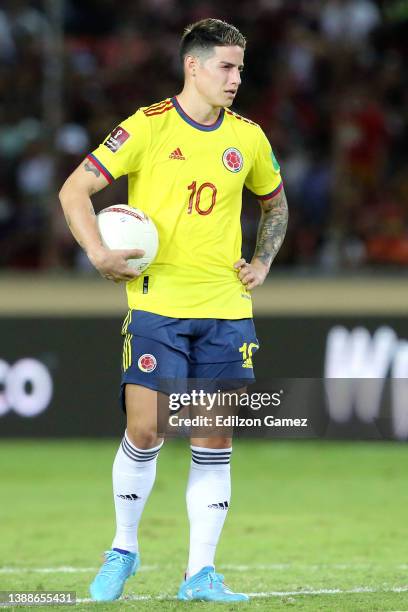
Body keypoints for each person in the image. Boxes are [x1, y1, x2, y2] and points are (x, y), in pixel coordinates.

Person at [59, 18, 288, 603]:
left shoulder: (250, 138)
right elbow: (73, 190)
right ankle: (124, 548)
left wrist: (262, 260)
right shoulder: (148, 127)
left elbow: (276, 205)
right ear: (194, 65)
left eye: (241, 67)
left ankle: (200, 574)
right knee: (146, 427)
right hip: (157, 301)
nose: (237, 78)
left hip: (226, 307)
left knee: (214, 439)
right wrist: (98, 253)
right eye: (226, 66)